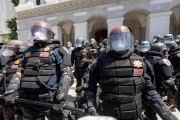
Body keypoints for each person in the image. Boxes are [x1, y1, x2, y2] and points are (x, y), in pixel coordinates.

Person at [87, 26, 178, 120]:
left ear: (129, 40)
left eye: (122, 38)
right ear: (111, 41)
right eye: (116, 39)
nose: (119, 42)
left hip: (134, 115)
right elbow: (92, 88)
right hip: (109, 115)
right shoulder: (100, 62)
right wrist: (91, 108)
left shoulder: (140, 62)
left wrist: (168, 116)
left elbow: (150, 91)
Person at [4, 21, 73, 120]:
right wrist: (11, 91)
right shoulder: (28, 51)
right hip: (28, 99)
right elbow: (20, 72)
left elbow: (67, 74)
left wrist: (60, 98)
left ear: (49, 34)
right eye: (34, 31)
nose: (36, 33)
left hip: (49, 99)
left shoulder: (58, 50)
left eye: (40, 31)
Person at [0, 40, 29, 120]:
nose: (7, 50)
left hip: (19, 94)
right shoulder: (9, 60)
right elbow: (5, 76)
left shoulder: (24, 60)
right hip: (7, 93)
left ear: (19, 49)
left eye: (10, 48)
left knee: (20, 115)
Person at [145, 43, 177, 111]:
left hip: (141, 93)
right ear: (164, 51)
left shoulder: (143, 59)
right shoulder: (162, 62)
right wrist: (175, 96)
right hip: (155, 93)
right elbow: (168, 82)